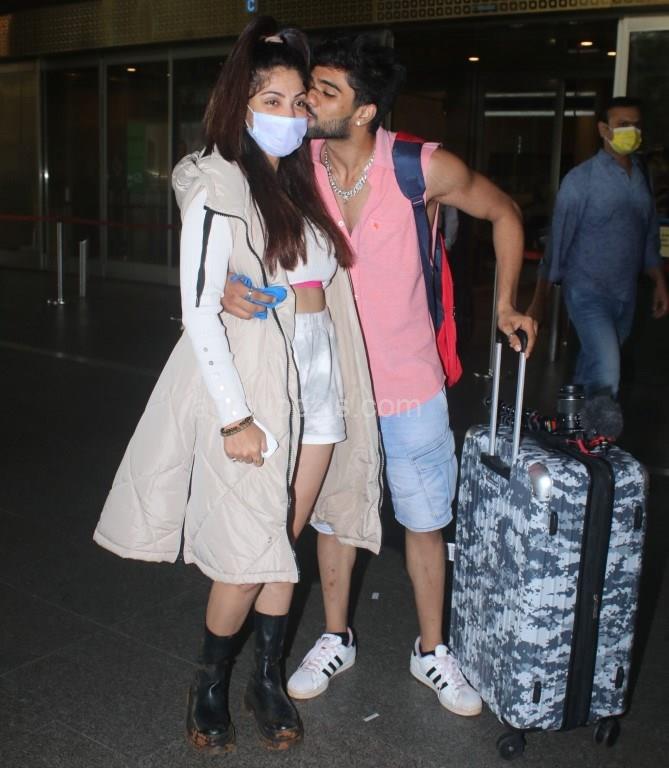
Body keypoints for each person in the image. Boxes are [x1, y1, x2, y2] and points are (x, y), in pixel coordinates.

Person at [222, 34, 537, 717]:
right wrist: (224, 284)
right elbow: (228, 215)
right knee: (336, 517)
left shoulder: (418, 166)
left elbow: (504, 213)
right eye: (308, 90)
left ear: (364, 111)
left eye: (324, 92)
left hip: (410, 381)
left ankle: (432, 650)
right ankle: (336, 636)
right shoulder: (296, 164)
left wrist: (507, 304)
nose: (307, 102)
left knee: (423, 521)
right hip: (328, 384)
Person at [94, 17, 382, 754]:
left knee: (283, 545)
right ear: (240, 103)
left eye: (298, 102)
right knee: (248, 552)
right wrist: (233, 418)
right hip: (261, 391)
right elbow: (198, 306)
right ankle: (210, 682)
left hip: (318, 391)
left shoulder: (297, 181)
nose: (289, 114)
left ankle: (266, 679)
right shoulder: (219, 179)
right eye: (271, 100)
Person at [527, 96, 668, 397]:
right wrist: (540, 300)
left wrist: (659, 281)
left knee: (592, 368)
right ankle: (599, 427)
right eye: (623, 124)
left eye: (636, 125)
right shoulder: (580, 180)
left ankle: (575, 423)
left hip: (625, 296)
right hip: (587, 294)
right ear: (604, 130)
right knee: (607, 372)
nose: (632, 131)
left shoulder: (641, 179)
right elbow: (557, 243)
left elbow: (648, 235)